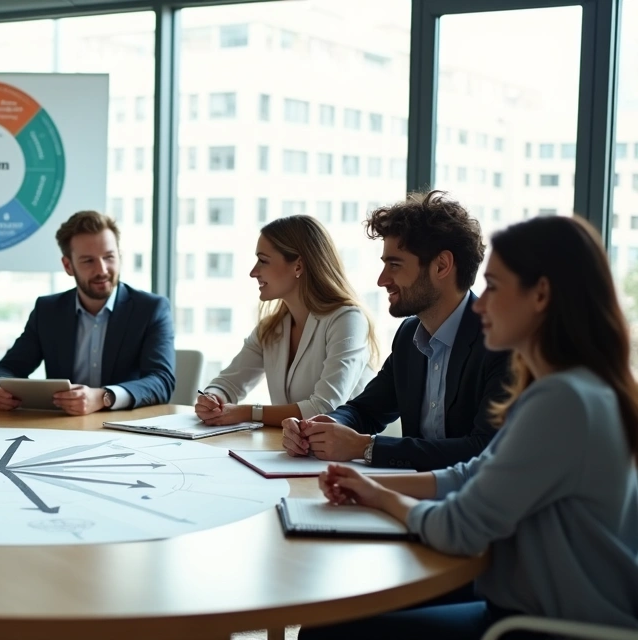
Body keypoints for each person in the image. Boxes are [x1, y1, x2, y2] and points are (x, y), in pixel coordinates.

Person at [301, 215, 638, 639]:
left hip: (542, 627)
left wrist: (383, 498)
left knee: (327, 631)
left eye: (493, 288)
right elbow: (474, 474)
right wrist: (372, 487)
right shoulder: (579, 388)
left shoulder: (562, 402)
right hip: (538, 605)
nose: (479, 304)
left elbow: (458, 528)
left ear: (541, 295)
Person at [282, 191, 510, 471]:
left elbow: (484, 450)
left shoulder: (502, 343)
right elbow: (365, 410)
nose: (382, 280)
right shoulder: (409, 335)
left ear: (442, 266)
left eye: (395, 264)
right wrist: (323, 427)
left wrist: (366, 447)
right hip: (414, 496)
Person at [0, 210, 175, 415]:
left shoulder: (151, 309)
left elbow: (161, 381)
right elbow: (8, 368)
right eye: (88, 261)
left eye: (109, 257)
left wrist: (104, 397)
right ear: (68, 266)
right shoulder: (48, 311)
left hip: (125, 429)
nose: (102, 270)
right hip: (62, 428)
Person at [196, 215, 376, 427]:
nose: (253, 272)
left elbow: (324, 408)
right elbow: (227, 383)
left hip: (343, 456)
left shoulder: (347, 320)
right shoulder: (271, 328)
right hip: (294, 452)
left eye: (263, 261)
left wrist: (246, 413)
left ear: (298, 266)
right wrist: (213, 398)